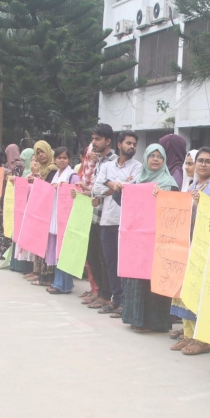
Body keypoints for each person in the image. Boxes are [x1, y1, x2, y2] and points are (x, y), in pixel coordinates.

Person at [170, 147, 210, 355]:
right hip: (187, 245)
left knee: (200, 292)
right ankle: (188, 335)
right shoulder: (192, 185)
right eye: (199, 160)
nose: (202, 164)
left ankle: (202, 340)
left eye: (207, 161)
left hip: (204, 247)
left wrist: (201, 204)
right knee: (185, 290)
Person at [120, 144, 178, 333]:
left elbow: (175, 211)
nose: (155, 159)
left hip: (159, 240)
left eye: (159, 156)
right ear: (145, 158)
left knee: (155, 280)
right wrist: (121, 189)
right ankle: (136, 319)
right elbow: (125, 206)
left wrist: (163, 197)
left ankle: (155, 323)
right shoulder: (137, 181)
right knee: (137, 279)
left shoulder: (169, 183)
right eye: (151, 156)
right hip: (138, 240)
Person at [93, 129, 141, 315]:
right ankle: (115, 299)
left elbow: (131, 189)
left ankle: (124, 302)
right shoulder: (107, 166)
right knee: (110, 262)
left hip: (126, 222)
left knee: (125, 263)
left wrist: (110, 183)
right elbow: (96, 189)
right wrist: (114, 185)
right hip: (107, 220)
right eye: (128, 143)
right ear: (119, 145)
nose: (132, 147)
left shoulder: (137, 167)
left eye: (134, 144)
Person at [80, 126, 116, 312]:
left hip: (107, 216)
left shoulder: (114, 162)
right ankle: (100, 293)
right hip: (95, 214)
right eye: (93, 138)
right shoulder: (99, 161)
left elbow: (111, 189)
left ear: (108, 141)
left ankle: (107, 296)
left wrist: (98, 191)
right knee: (93, 255)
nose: (94, 142)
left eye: (98, 139)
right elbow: (98, 189)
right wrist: (89, 192)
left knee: (105, 258)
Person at [45, 147, 81, 294]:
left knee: (64, 251)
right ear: (55, 159)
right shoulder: (55, 175)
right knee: (57, 251)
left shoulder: (72, 176)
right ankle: (59, 282)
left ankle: (63, 285)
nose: (61, 160)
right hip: (55, 216)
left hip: (66, 219)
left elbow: (78, 193)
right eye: (59, 158)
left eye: (64, 158)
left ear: (69, 160)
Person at [29, 140, 59, 286]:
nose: (41, 155)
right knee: (40, 242)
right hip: (41, 211)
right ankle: (40, 274)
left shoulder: (53, 169)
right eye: (38, 153)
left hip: (50, 212)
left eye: (43, 151)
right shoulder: (42, 168)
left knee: (48, 245)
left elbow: (47, 190)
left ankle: (47, 277)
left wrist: (36, 176)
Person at [74, 143, 101, 301]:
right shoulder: (85, 170)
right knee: (87, 253)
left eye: (95, 152)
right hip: (84, 209)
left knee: (95, 254)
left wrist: (87, 192)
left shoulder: (101, 168)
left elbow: (98, 190)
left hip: (96, 212)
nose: (92, 156)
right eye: (90, 153)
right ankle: (93, 288)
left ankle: (98, 290)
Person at [0, 144, 25, 259]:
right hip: (4, 198)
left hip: (12, 200)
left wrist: (8, 176)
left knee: (9, 224)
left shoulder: (18, 166)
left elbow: (17, 182)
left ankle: (8, 252)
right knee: (2, 224)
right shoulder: (6, 165)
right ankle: (1, 250)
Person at [10, 148, 35, 275]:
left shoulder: (35, 174)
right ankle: (16, 263)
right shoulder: (26, 172)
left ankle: (25, 266)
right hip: (21, 208)